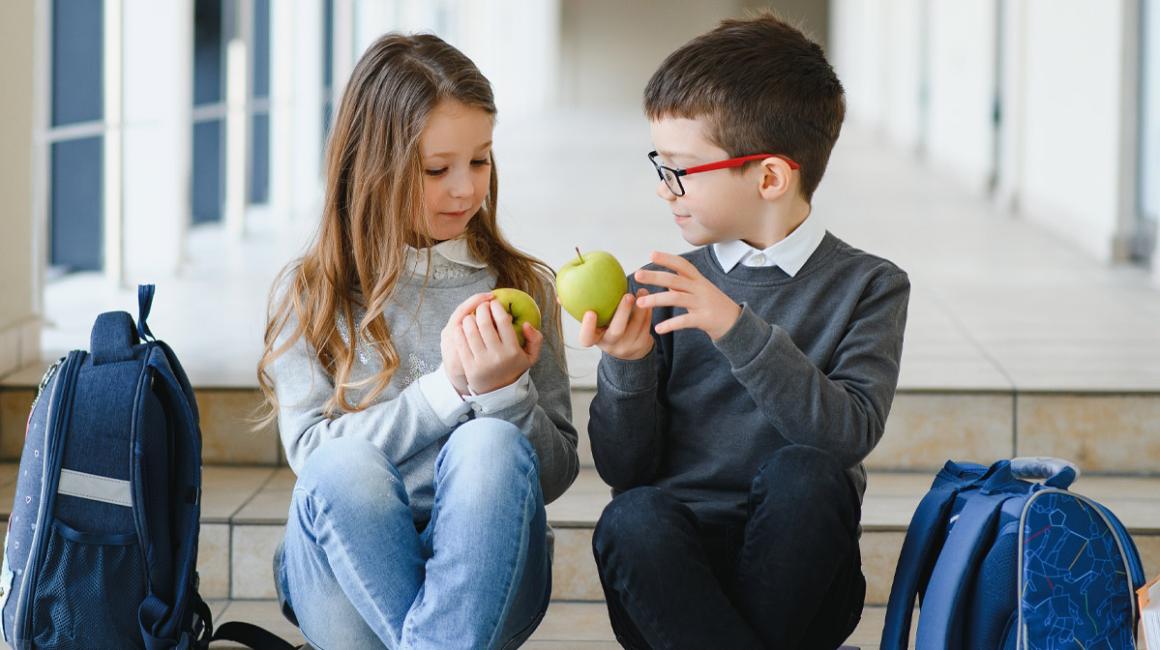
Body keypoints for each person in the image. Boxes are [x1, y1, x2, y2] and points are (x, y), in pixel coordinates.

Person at [579, 12, 911, 649]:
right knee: (633, 514)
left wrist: (735, 326)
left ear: (768, 177)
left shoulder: (869, 286)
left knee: (808, 474)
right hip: (673, 582)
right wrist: (627, 365)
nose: (664, 190)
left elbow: (845, 438)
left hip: (806, 574)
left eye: (680, 169)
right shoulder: (659, 284)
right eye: (660, 165)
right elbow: (625, 467)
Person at [257, 32, 578, 649]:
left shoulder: (521, 287)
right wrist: (447, 390)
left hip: (491, 571)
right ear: (371, 167)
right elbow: (313, 458)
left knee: (490, 441)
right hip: (339, 576)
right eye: (437, 169)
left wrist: (507, 392)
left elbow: (557, 473)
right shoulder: (312, 293)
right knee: (343, 462)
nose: (465, 188)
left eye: (480, 161)